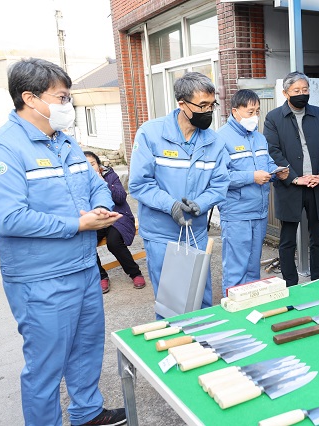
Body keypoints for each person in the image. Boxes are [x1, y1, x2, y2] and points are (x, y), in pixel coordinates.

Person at [0, 58, 126, 426]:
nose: (69, 106)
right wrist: (77, 224)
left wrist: (99, 207)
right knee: (46, 366)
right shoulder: (4, 149)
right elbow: (8, 218)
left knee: (86, 349)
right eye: (62, 97)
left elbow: (97, 183)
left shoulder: (64, 141)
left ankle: (86, 413)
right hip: (41, 279)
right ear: (30, 98)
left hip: (82, 268)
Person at [129, 72, 229, 312]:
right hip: (162, 234)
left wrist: (201, 204)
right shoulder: (151, 134)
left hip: (195, 232)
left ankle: (202, 346)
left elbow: (219, 185)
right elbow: (139, 184)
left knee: (201, 299)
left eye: (211, 105)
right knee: (171, 304)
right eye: (202, 105)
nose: (208, 111)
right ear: (182, 103)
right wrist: (170, 205)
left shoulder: (214, 142)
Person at [264, 71, 319, 287]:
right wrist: (294, 178)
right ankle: (291, 284)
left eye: (305, 90)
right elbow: (273, 151)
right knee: (287, 239)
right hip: (291, 186)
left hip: (317, 185)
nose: (302, 94)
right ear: (286, 93)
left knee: (318, 237)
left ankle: (317, 282)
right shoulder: (274, 117)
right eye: (297, 91)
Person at [217, 90, 289, 295]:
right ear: (235, 111)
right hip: (237, 213)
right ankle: (233, 312)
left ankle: (249, 308)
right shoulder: (221, 138)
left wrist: (277, 172)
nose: (255, 116)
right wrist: (252, 177)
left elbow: (266, 163)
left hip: (259, 211)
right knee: (235, 269)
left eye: (257, 111)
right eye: (250, 112)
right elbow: (220, 177)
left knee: (252, 269)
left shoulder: (259, 138)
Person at [84, 151, 146, 293]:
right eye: (86, 164)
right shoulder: (79, 182)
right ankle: (102, 276)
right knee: (86, 243)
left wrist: (103, 183)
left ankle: (135, 273)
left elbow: (120, 198)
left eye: (92, 164)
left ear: (98, 164)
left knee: (113, 242)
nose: (90, 167)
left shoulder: (109, 175)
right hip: (95, 219)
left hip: (117, 217)